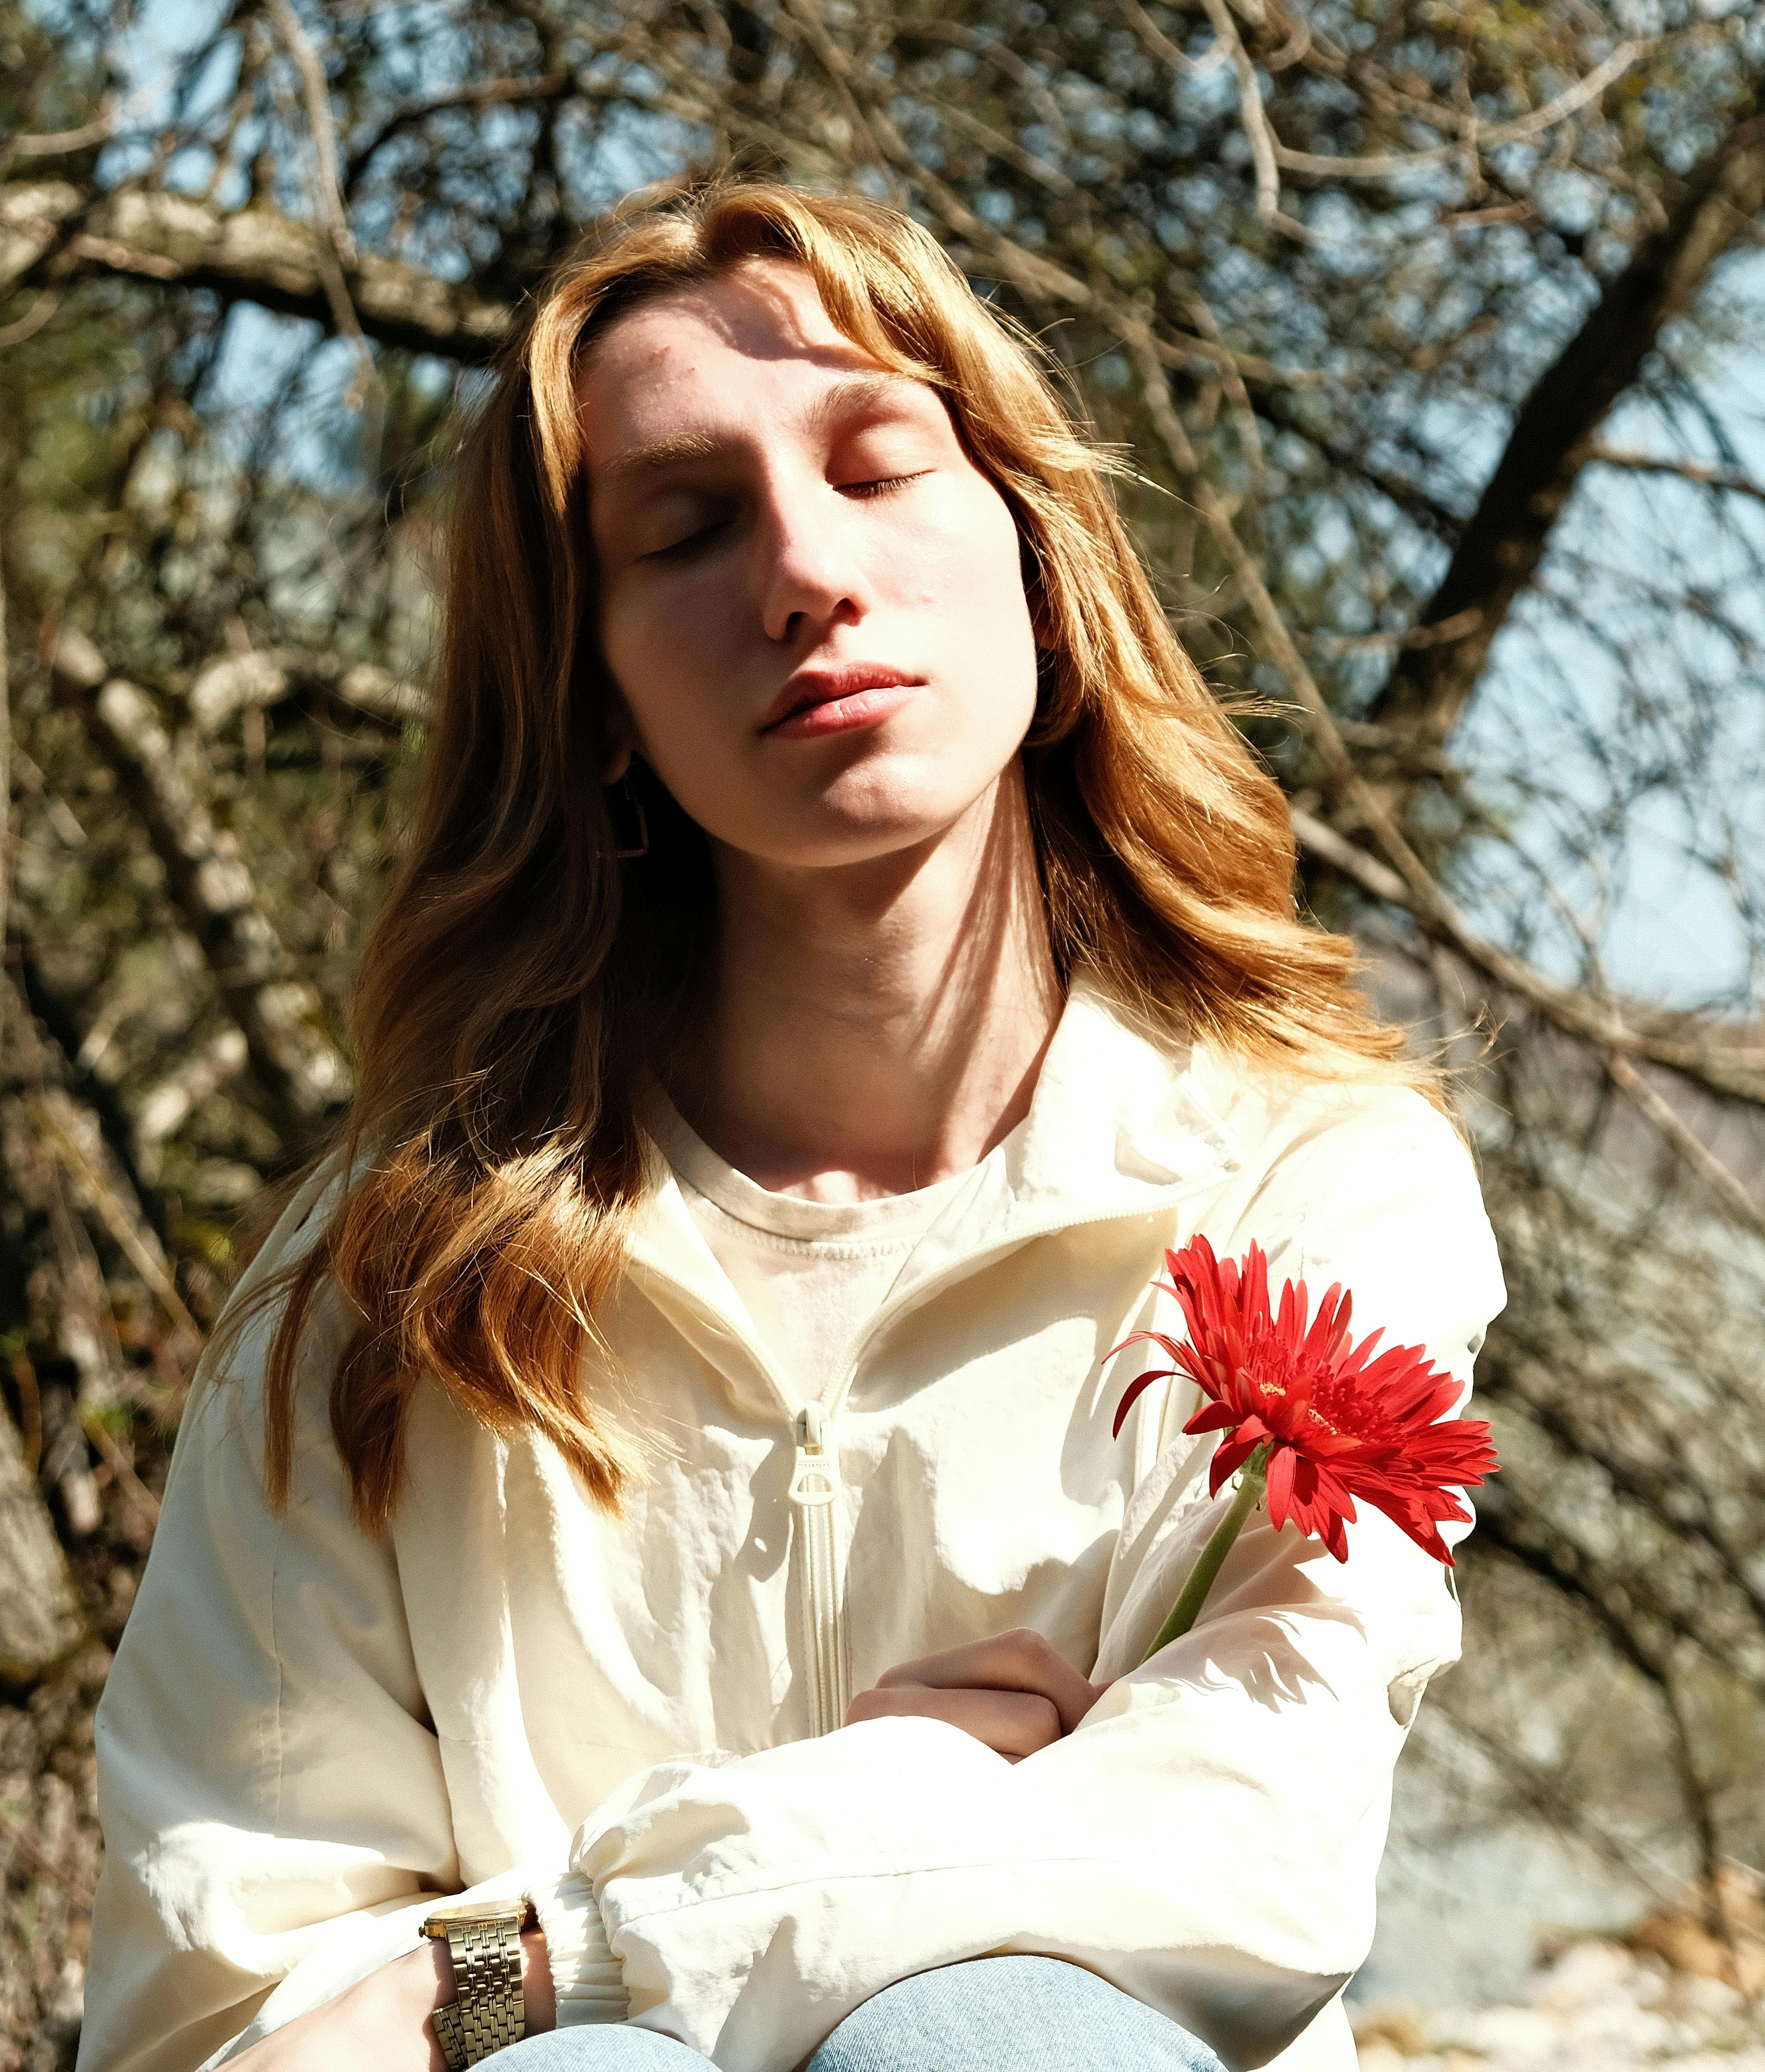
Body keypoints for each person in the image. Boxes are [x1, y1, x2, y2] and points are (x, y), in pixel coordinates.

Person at [76, 183, 1504, 2072]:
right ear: (591, 694)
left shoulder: (1305, 1182)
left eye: (875, 465)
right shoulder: (386, 1291)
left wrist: (521, 1955)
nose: (803, 575)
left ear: (1034, 555)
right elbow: (239, 2016)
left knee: (1001, 2036)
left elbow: (1242, 1857)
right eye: (685, 526)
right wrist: (846, 1834)